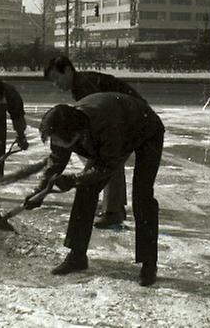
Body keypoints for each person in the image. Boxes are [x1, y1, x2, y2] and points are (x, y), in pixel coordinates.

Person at [31, 93, 164, 285]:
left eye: (60, 141)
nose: (57, 145)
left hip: (145, 131)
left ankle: (149, 263)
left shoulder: (106, 127)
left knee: (142, 197)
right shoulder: (62, 125)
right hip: (113, 129)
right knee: (86, 190)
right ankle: (77, 256)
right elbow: (57, 161)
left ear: (76, 135)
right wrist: (41, 190)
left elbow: (107, 166)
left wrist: (75, 178)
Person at [44, 55, 144, 230]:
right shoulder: (80, 83)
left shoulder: (85, 85)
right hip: (124, 118)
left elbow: (101, 118)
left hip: (131, 119)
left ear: (67, 70)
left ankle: (113, 213)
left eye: (56, 78)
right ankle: (114, 208)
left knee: (106, 160)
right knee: (103, 162)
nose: (56, 84)